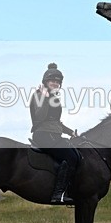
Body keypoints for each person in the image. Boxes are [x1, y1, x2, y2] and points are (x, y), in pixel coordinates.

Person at [30, 63, 79, 205]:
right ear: (46, 81)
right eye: (52, 81)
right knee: (71, 157)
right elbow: (39, 117)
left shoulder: (53, 97)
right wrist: (45, 97)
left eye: (58, 82)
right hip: (44, 135)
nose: (55, 83)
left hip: (53, 134)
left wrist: (70, 132)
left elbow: (56, 122)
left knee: (75, 153)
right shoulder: (39, 95)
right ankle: (58, 194)